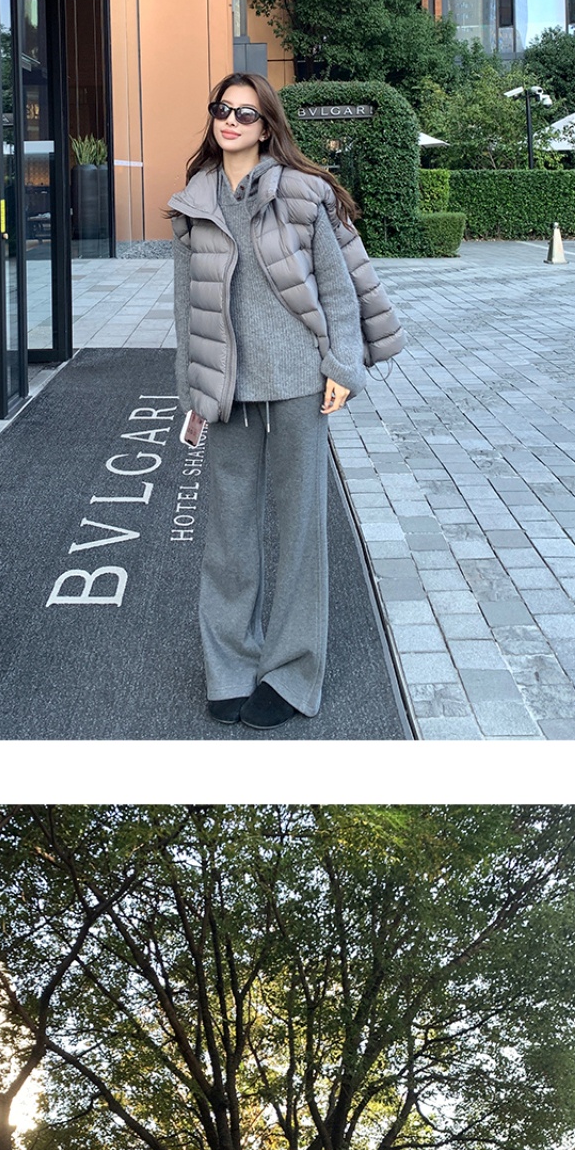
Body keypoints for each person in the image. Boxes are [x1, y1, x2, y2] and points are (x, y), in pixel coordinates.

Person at [169, 71, 404, 729]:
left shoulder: (302, 191)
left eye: (246, 112)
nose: (231, 120)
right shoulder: (193, 201)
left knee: (300, 530)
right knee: (228, 534)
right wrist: (192, 391)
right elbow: (187, 311)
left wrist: (342, 365)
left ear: (267, 124)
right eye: (223, 109)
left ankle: (293, 672)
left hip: (301, 380)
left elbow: (336, 287)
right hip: (229, 388)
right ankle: (229, 666)